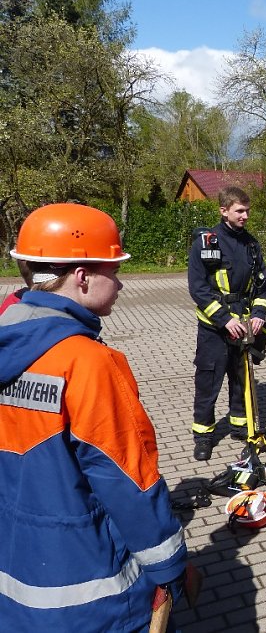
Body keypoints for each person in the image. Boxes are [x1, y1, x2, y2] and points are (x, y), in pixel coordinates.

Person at [0, 203, 188, 630]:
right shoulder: (88, 364)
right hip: (91, 595)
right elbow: (127, 480)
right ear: (82, 276)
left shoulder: (7, 344)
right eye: (113, 269)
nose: (120, 282)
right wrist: (170, 566)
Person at [188, 186, 266, 461]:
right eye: (240, 211)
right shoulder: (206, 242)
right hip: (214, 327)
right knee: (208, 381)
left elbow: (262, 286)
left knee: (240, 378)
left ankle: (238, 425)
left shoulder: (251, 244)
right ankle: (203, 436)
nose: (245, 216)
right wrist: (224, 320)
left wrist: (258, 315)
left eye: (247, 211)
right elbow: (198, 288)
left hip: (244, 323)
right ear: (223, 211)